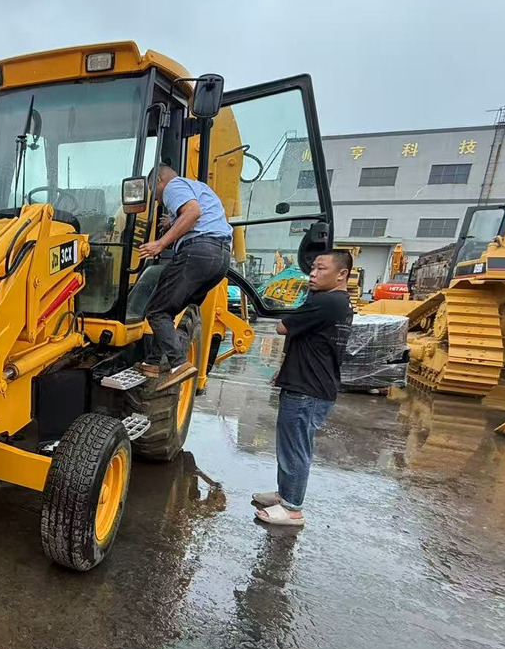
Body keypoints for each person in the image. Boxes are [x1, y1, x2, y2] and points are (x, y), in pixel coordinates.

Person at [253, 249, 354, 527]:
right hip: (305, 382)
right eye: (312, 268)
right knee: (289, 446)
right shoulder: (333, 302)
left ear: (341, 274)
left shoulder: (328, 302)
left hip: (308, 390)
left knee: (295, 449)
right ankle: (284, 495)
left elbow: (283, 328)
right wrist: (284, 371)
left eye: (321, 269)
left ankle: (293, 509)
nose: (312, 273)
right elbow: (311, 344)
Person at [137, 163, 233, 383]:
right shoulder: (198, 187)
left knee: (156, 311)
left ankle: (178, 363)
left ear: (159, 181)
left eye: (156, 195)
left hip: (197, 253)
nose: (159, 201)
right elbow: (202, 212)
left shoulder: (173, 186)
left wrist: (160, 243)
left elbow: (193, 212)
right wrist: (173, 220)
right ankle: (152, 362)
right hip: (219, 259)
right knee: (168, 311)